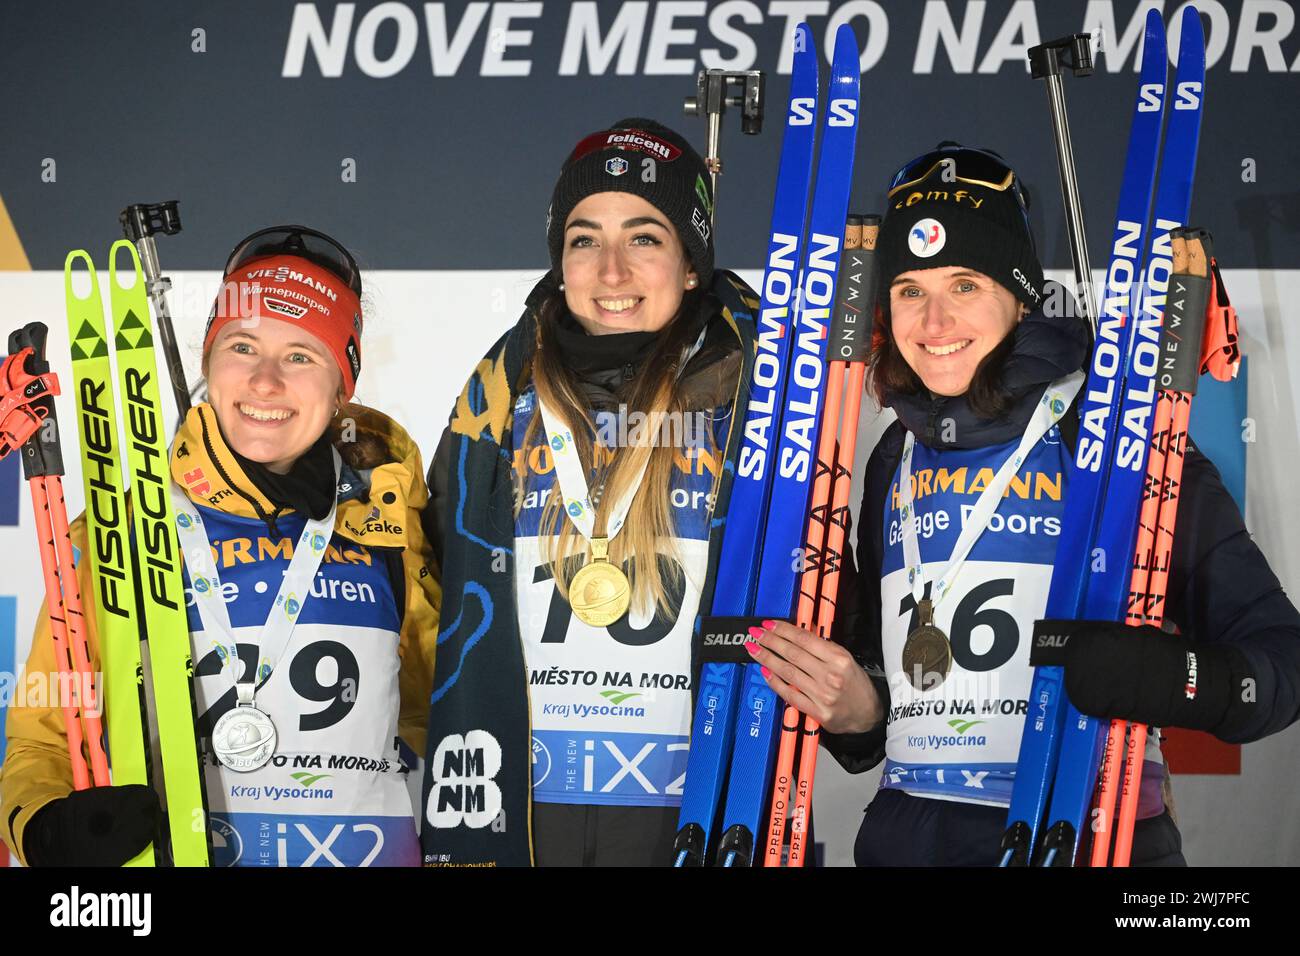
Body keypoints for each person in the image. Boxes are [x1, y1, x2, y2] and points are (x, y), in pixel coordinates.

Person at [744, 143, 1300, 866]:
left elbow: (1281, 665)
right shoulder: (893, 455)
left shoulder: (1112, 439)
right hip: (908, 844)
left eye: (966, 284)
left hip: (1090, 838)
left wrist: (1176, 681)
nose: (934, 322)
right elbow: (885, 701)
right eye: (910, 290)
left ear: (1019, 295)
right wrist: (860, 711)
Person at [0, 225, 440, 867]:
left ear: (341, 385)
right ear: (207, 362)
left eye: (301, 355)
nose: (265, 381)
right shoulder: (114, 535)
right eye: (242, 345)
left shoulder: (391, 532)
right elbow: (41, 743)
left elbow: (440, 725)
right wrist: (45, 829)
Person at [419, 119, 760, 866]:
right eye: (583, 239)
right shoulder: (497, 394)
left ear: (692, 263)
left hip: (691, 814)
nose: (611, 271)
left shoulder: (757, 399)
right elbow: (434, 589)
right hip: (519, 813)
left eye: (644, 237)